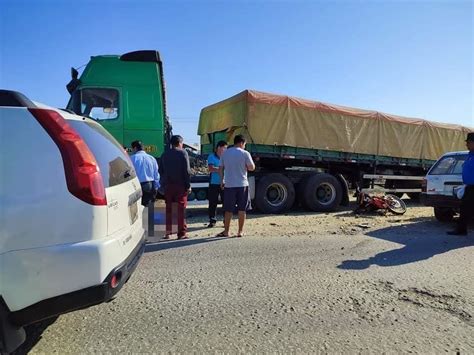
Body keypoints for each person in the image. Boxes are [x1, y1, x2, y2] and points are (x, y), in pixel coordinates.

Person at [217, 135, 255, 238]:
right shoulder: (245, 153)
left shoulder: (225, 153)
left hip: (229, 184)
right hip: (242, 184)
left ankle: (226, 231)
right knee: (242, 209)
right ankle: (240, 231)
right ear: (242, 143)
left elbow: (220, 168)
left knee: (228, 209)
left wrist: (222, 180)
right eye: (245, 144)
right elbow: (251, 167)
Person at [160, 135, 192, 240]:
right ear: (180, 143)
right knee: (180, 209)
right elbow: (187, 171)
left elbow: (161, 171)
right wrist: (188, 185)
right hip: (180, 185)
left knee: (169, 209)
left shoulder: (164, 154)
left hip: (168, 185)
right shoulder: (183, 153)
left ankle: (167, 233)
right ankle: (181, 233)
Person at [447, 132, 474, 236]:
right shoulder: (470, 155)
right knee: (464, 207)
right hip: (469, 187)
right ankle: (461, 230)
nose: (466, 144)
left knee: (466, 207)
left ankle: (461, 229)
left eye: (469, 142)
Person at [130, 140, 160, 206]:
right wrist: (156, 186)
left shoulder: (132, 158)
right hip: (149, 185)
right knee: (148, 207)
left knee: (136, 206)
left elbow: (129, 173)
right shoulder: (152, 158)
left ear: (135, 148)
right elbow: (156, 174)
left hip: (136, 185)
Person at [207, 140, 228, 228]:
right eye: (225, 148)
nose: (226, 150)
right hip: (214, 183)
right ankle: (212, 220)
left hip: (225, 182)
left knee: (226, 202)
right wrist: (220, 169)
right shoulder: (211, 156)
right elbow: (210, 168)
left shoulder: (226, 157)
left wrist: (220, 169)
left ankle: (225, 220)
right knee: (213, 202)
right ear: (219, 147)